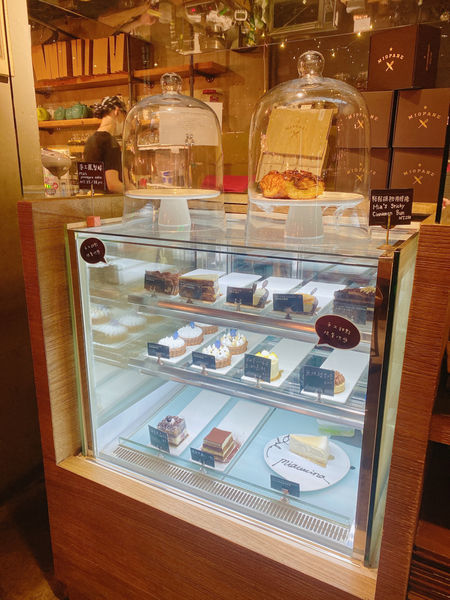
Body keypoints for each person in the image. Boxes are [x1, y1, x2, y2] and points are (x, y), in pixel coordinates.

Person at [84, 96, 127, 193]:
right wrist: (132, 191)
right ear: (116, 111)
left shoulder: (90, 140)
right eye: (124, 117)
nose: (124, 122)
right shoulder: (110, 142)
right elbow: (113, 185)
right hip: (109, 200)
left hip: (94, 198)